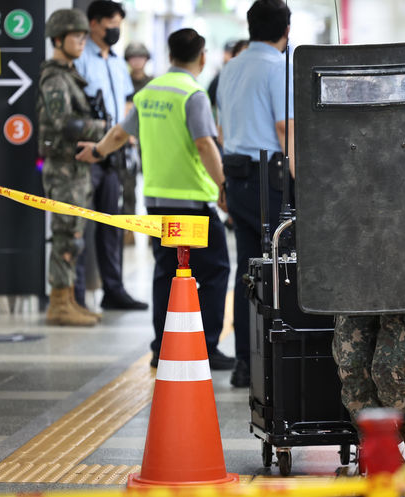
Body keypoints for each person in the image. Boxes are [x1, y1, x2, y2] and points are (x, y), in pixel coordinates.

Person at [76, 28, 235, 371]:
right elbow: (205, 144)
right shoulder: (193, 94)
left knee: (167, 272)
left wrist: (97, 151)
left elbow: (120, 132)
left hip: (158, 202)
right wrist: (224, 186)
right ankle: (206, 346)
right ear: (202, 56)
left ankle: (162, 346)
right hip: (193, 204)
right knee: (214, 271)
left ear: (170, 54)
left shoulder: (149, 92)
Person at [216, 0, 294, 388]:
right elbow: (284, 129)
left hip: (235, 175)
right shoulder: (278, 67)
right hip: (270, 179)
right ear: (286, 30)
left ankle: (245, 362)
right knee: (279, 270)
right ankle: (276, 361)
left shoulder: (230, 67)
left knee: (247, 270)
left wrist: (223, 187)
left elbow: (220, 130)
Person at [74, 0, 147, 310]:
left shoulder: (118, 63)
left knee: (112, 224)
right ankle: (75, 296)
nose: (115, 30)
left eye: (118, 24)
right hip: (87, 151)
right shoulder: (81, 59)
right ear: (94, 24)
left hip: (115, 154)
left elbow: (126, 103)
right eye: (110, 24)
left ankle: (113, 290)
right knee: (78, 225)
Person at [37, 9, 107, 327]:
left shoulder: (69, 74)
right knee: (66, 235)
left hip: (75, 170)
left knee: (74, 235)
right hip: (64, 169)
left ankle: (68, 300)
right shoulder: (54, 78)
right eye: (75, 36)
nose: (81, 41)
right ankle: (59, 304)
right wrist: (102, 127)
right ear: (58, 39)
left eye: (83, 36)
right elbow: (63, 123)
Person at [333, 312, 405, 480]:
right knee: (354, 372)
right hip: (352, 296)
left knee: (389, 371)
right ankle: (382, 451)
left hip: (402, 297)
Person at [122, 41, 153, 246]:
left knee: (151, 186)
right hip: (128, 141)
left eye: (140, 57)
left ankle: (153, 231)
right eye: (133, 58)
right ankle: (129, 231)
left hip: (150, 139)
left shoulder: (152, 83)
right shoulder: (123, 82)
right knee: (127, 187)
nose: (136, 62)